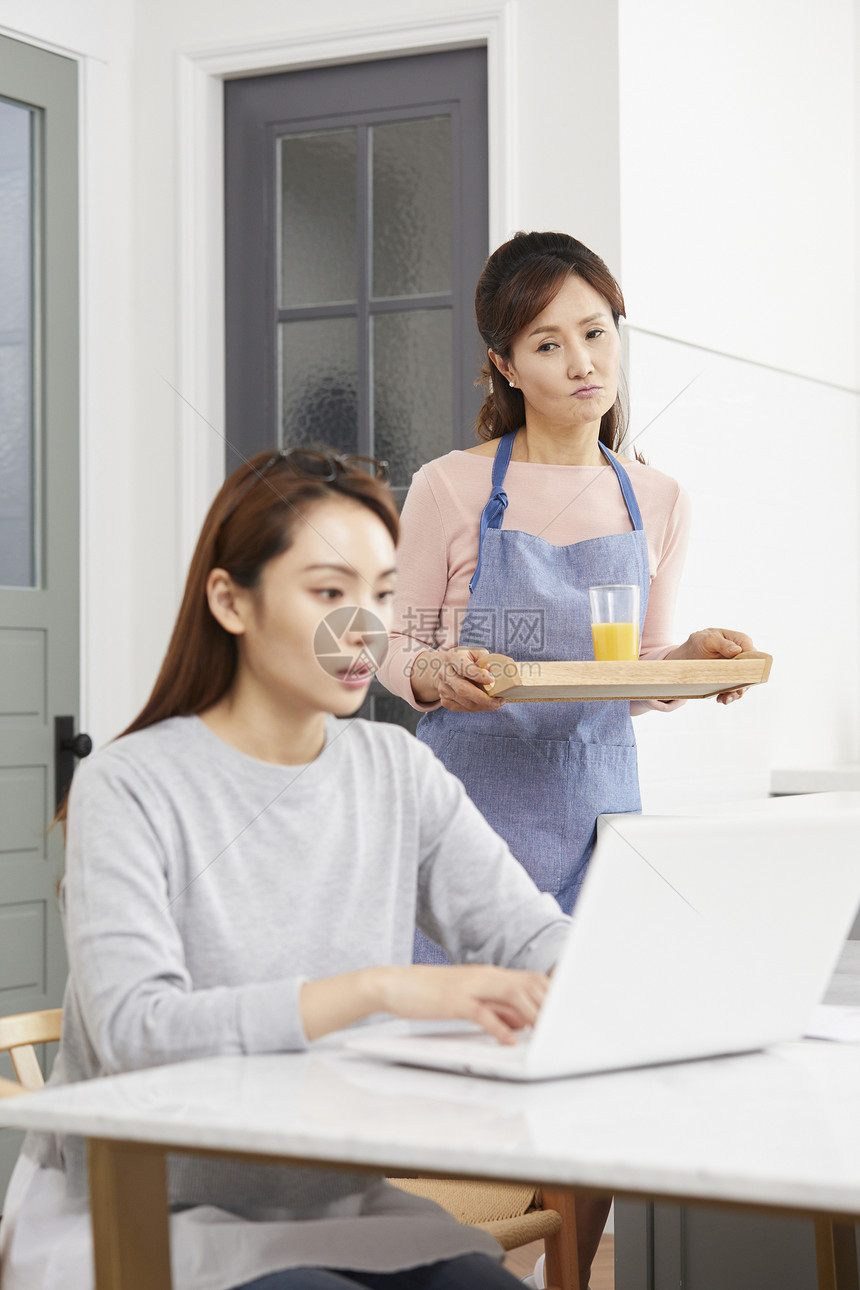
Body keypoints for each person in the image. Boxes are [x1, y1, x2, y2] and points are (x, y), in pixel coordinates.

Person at [0, 447, 590, 1290]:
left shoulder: (395, 768)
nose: (363, 628)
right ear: (230, 601)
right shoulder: (128, 785)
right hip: (147, 1215)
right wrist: (379, 990)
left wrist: (605, 977)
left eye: (382, 595)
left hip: (337, 1208)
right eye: (328, 592)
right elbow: (138, 1031)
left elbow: (524, 931)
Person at [376, 230, 755, 962]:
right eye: (547, 345)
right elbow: (394, 639)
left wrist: (689, 661)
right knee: (457, 1053)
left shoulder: (660, 498)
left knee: (593, 1039)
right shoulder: (448, 487)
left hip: (600, 828)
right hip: (463, 830)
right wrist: (429, 672)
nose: (582, 363)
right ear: (505, 366)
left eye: (595, 333)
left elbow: (637, 669)